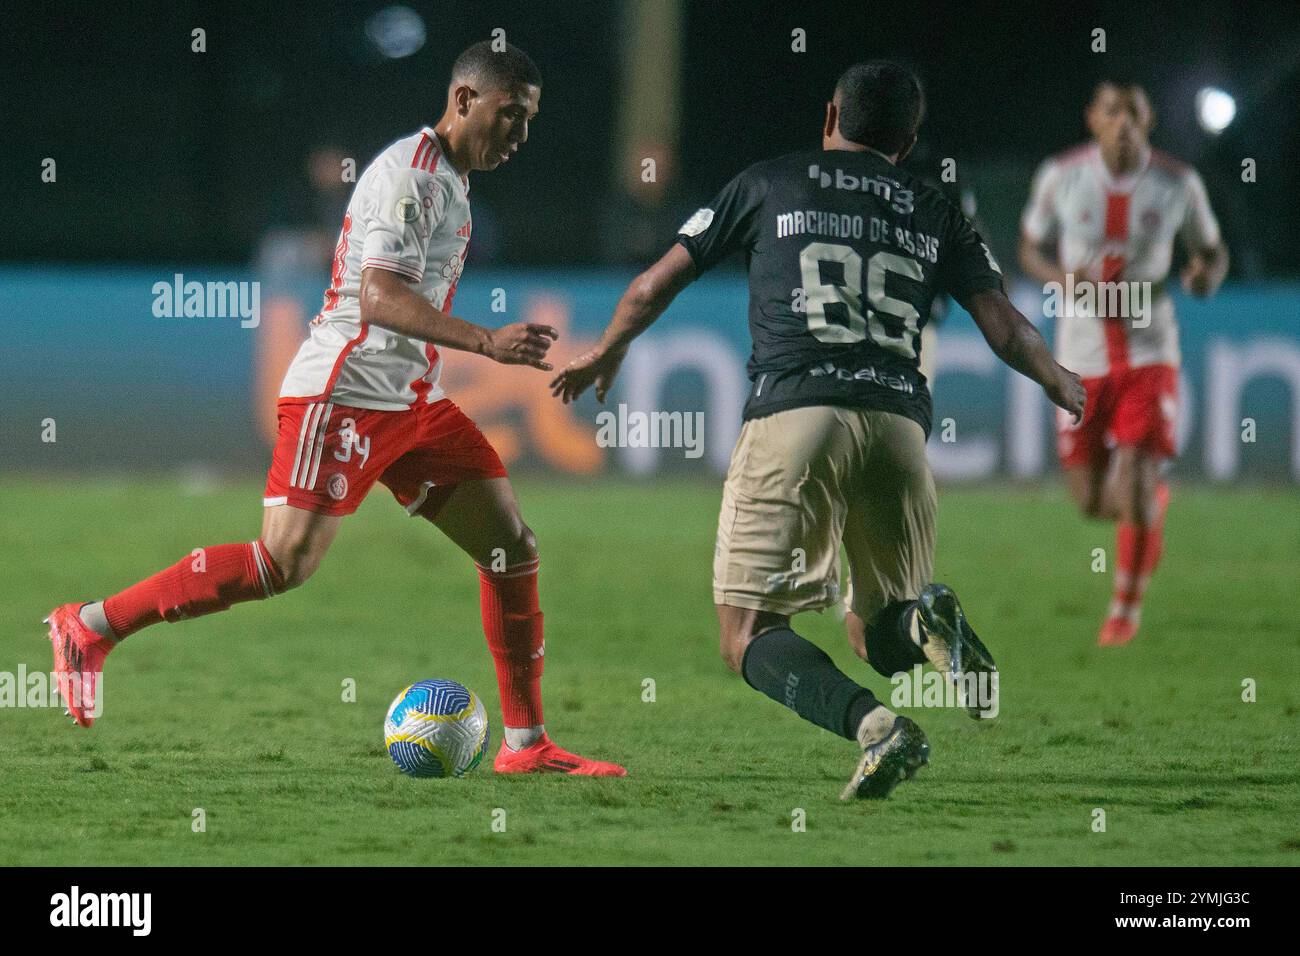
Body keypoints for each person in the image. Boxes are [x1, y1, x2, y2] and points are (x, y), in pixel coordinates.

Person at [46, 40, 625, 777]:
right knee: (282, 563)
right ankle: (91, 626)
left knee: (511, 546)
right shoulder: (412, 178)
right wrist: (486, 340)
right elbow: (379, 296)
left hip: (410, 400)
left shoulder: (450, 178)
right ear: (464, 102)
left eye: (529, 120)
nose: (519, 135)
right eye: (510, 115)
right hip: (345, 394)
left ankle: (525, 745)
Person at [552, 61, 1085, 799]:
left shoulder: (769, 181)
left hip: (798, 417)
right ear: (907, 140)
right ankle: (930, 625)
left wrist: (606, 350)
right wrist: (1059, 379)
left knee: (746, 635)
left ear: (830, 115)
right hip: (899, 427)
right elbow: (1006, 326)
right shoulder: (935, 207)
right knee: (877, 632)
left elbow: (654, 283)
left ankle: (879, 729)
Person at [1019, 81, 1228, 646]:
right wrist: (1062, 280)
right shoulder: (1060, 176)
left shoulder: (1179, 183)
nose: (1124, 122)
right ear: (1092, 118)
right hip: (1079, 357)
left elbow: (1212, 250)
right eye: (1112, 110)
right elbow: (1028, 247)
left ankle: (1124, 610)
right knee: (1090, 502)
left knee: (1134, 470)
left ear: (1149, 117)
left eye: (1134, 110)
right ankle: (1148, 506)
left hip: (1149, 350)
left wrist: (1206, 275)